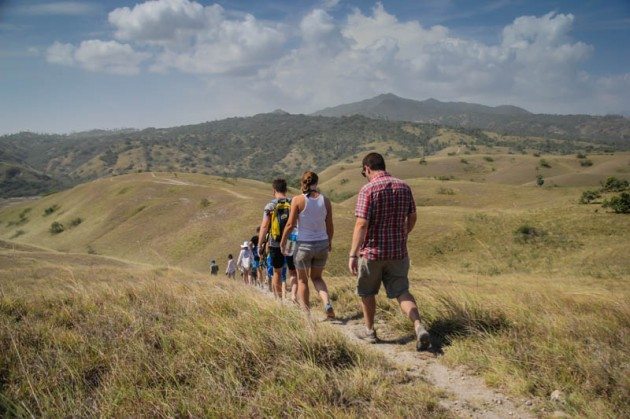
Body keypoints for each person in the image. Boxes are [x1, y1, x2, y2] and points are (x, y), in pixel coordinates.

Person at [348, 152, 430, 351]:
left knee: (367, 292)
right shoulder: (404, 186)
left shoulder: (368, 189)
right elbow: (412, 216)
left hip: (372, 253)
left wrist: (353, 254)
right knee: (402, 291)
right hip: (398, 252)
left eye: (364, 173)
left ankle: (370, 331)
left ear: (367, 168)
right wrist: (404, 233)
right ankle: (418, 326)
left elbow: (361, 224)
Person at [281, 171, 334, 318]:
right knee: (317, 278)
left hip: (303, 246)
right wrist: (329, 241)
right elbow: (330, 225)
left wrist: (283, 241)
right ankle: (327, 303)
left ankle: (306, 315)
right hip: (322, 244)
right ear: (316, 183)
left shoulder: (297, 200)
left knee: (302, 281)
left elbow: (290, 224)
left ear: (302, 183)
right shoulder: (326, 201)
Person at [258, 179, 297, 299]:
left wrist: (260, 245)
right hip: (291, 241)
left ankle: (279, 300)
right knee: (293, 270)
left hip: (275, 242)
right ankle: (294, 296)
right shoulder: (293, 203)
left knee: (277, 272)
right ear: (286, 189)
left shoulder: (270, 206)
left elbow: (264, 226)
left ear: (274, 190)